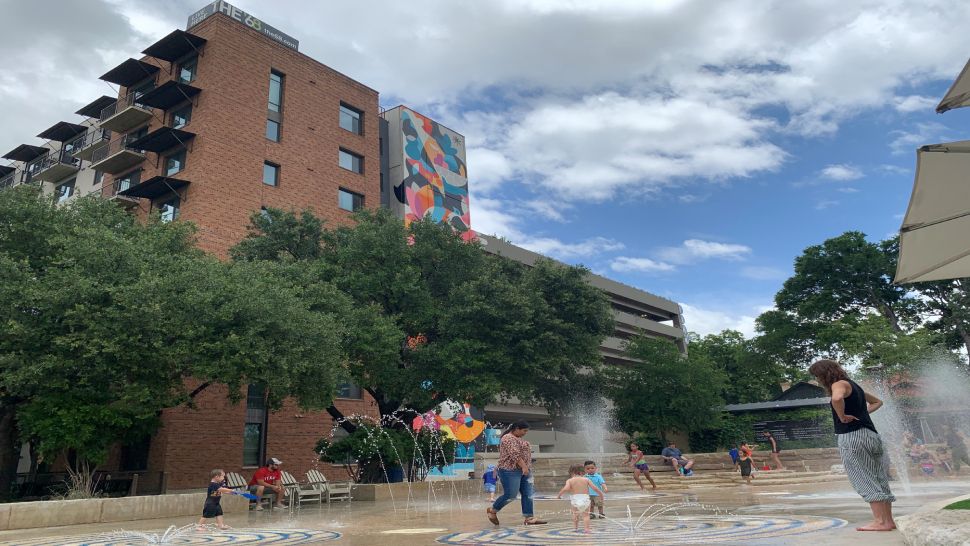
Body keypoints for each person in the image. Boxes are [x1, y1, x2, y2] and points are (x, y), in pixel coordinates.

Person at [809, 359, 896, 532]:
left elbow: (836, 398)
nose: (818, 380)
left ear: (824, 373)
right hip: (870, 435)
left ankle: (879, 522)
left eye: (817, 376)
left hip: (853, 437)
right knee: (878, 476)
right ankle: (888, 521)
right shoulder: (854, 385)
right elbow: (878, 402)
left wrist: (842, 416)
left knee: (863, 476)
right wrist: (861, 414)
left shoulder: (838, 384)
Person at [485, 422, 547, 526]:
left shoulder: (518, 439)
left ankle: (529, 518)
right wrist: (524, 466)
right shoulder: (508, 438)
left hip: (525, 470)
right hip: (509, 470)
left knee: (528, 494)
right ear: (517, 428)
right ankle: (492, 510)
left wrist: (526, 467)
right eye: (524, 430)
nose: (525, 433)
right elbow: (515, 454)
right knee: (511, 495)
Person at [557, 464, 605, 534]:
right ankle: (587, 529)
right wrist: (601, 494)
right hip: (585, 498)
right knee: (586, 515)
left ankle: (576, 528)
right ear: (582, 472)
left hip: (575, 499)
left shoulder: (570, 480)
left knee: (575, 514)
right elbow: (594, 488)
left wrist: (559, 495)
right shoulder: (586, 479)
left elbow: (566, 488)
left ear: (571, 472)